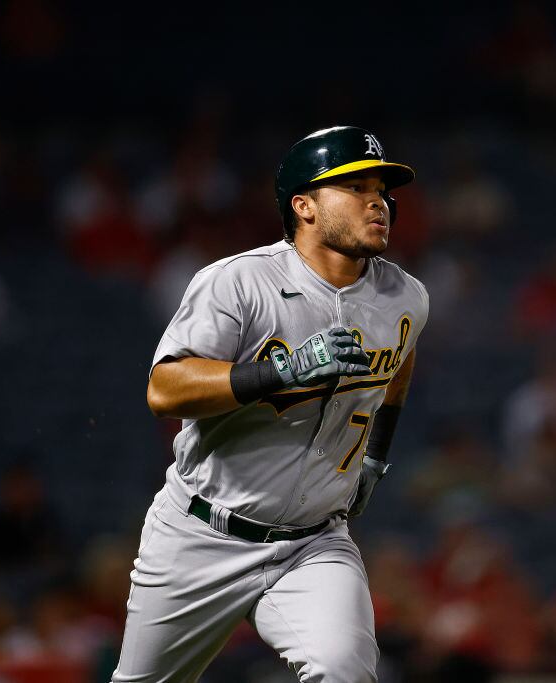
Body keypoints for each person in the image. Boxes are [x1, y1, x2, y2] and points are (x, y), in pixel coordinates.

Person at [110, 126, 429, 682]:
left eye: (382, 190)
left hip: (315, 542)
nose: (378, 201)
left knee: (345, 673)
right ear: (303, 206)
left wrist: (376, 453)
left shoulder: (405, 296)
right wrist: (279, 370)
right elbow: (165, 389)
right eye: (356, 187)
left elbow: (398, 369)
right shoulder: (239, 282)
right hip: (202, 534)